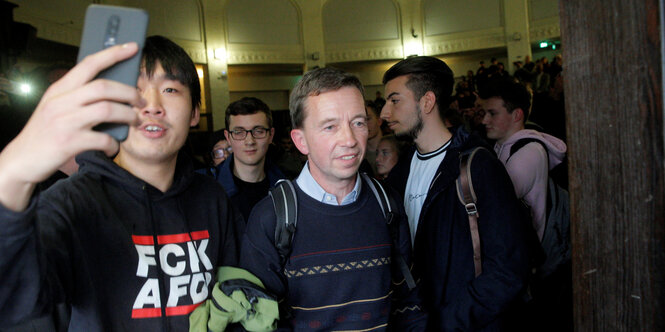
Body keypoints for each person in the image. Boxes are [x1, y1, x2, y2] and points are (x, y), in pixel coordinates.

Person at [0, 36, 243, 330]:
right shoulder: (69, 204)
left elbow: (233, 293)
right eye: (133, 90)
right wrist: (10, 174)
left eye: (170, 89)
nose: (152, 105)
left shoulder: (211, 198)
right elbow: (13, 299)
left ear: (194, 113)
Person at [239, 67, 426, 331]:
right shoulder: (272, 218)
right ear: (301, 141)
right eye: (330, 126)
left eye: (358, 123)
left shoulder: (387, 204)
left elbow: (409, 304)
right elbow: (257, 321)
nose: (349, 139)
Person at [381, 56, 531, 331]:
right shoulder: (399, 175)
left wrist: (447, 322)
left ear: (426, 102)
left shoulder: (477, 166)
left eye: (394, 100)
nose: (384, 113)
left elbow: (507, 269)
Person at [479, 78, 567, 240]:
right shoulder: (503, 146)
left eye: (492, 113)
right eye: (484, 113)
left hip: (526, 256)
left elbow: (492, 205)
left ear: (517, 115)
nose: (484, 120)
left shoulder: (527, 154)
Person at [211, 96, 285, 222]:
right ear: (228, 137)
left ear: (271, 135)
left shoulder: (287, 187)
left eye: (258, 131)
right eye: (239, 132)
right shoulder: (208, 188)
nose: (250, 141)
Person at [363, 100, 383, 174]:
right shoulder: (358, 155)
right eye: (359, 120)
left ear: (379, 121)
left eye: (368, 119)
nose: (364, 124)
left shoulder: (395, 149)